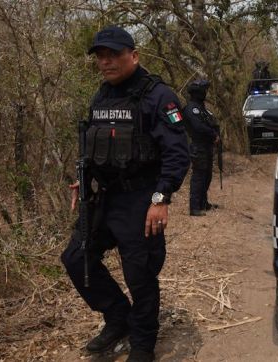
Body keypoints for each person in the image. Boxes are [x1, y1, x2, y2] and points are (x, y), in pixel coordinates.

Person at [61, 25, 189, 362]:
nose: (106, 62)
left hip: (141, 199)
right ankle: (118, 318)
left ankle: (144, 345)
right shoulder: (102, 95)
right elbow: (96, 146)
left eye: (114, 54)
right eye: (101, 56)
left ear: (134, 55)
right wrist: (84, 179)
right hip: (104, 198)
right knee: (76, 258)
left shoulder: (158, 95)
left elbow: (178, 153)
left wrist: (161, 199)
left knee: (140, 275)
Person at [182, 79, 220, 216]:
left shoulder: (202, 108)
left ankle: (203, 203)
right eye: (203, 91)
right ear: (198, 93)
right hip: (198, 146)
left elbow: (210, 122)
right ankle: (194, 207)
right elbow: (198, 127)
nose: (205, 93)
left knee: (207, 175)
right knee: (199, 176)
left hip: (206, 146)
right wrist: (213, 134)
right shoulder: (192, 108)